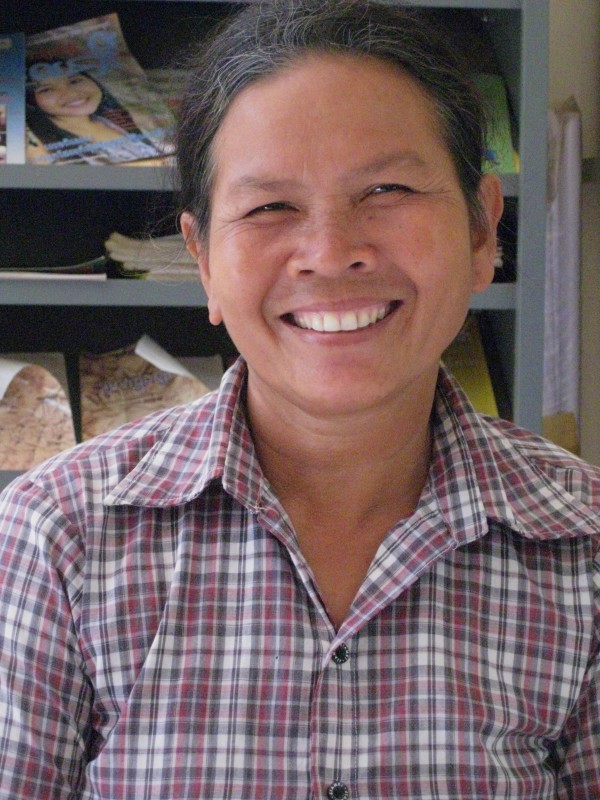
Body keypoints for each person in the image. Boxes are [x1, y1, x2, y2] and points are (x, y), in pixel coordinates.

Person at [1, 1, 599, 797]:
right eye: (269, 207)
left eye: (386, 188)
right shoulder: (58, 537)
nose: (330, 253)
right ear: (204, 259)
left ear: (484, 230)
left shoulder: (583, 550)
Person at [26, 62, 165, 164]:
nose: (71, 93)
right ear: (30, 99)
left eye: (75, 80)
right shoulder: (35, 146)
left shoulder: (113, 119)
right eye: (46, 89)